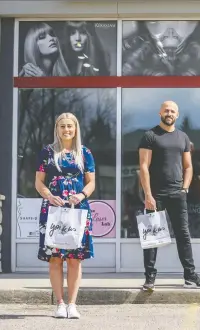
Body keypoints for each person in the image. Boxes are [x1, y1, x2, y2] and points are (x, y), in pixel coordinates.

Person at [138, 100, 200, 290]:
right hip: (155, 195)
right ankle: (150, 277)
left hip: (177, 193)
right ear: (160, 113)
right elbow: (143, 167)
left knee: (183, 235)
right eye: (166, 110)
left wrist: (184, 188)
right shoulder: (150, 136)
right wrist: (148, 194)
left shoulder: (183, 137)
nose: (169, 113)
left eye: (172, 111)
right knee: (152, 236)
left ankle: (190, 275)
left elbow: (188, 166)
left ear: (177, 115)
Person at [35, 113, 96, 319]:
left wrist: (81, 195)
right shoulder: (47, 152)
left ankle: (72, 304)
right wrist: (50, 196)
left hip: (77, 210)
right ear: (57, 129)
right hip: (53, 209)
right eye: (62, 126)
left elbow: (91, 183)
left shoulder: (85, 153)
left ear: (76, 128)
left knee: (75, 259)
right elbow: (39, 183)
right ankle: (59, 304)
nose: (66, 129)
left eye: (70, 126)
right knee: (55, 259)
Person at [187, 142, 200, 238]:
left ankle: (196, 236)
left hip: (193, 196)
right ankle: (194, 236)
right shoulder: (182, 163)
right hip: (186, 195)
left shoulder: (194, 164)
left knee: (194, 217)